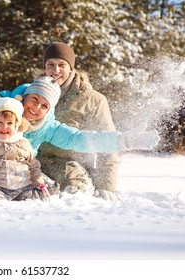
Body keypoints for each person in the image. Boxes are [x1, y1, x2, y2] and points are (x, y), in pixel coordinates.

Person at [0, 14, 160, 198]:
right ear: (26, 95)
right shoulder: (1, 103)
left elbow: (82, 139)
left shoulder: (49, 126)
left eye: (44, 105)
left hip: (16, 171)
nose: (36, 108)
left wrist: (125, 141)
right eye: (34, 99)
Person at [35, 42, 120, 201]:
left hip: (73, 166)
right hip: (36, 163)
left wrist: (106, 186)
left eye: (62, 65)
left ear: (71, 68)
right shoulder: (33, 94)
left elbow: (108, 144)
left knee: (74, 195)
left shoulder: (93, 100)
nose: (56, 70)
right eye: (50, 65)